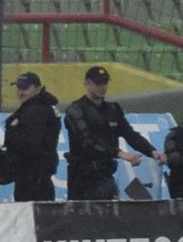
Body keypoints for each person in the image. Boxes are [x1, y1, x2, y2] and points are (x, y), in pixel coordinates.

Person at [64, 66, 162, 200]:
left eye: (105, 83)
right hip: (81, 177)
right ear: (87, 83)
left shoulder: (112, 109)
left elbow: (129, 134)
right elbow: (87, 140)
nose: (102, 87)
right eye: (98, 83)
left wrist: (151, 151)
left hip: (105, 174)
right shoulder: (76, 109)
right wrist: (119, 153)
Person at [2, 72, 61, 202]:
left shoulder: (37, 110)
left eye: (25, 88)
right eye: (19, 88)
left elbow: (30, 145)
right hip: (32, 176)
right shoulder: (34, 108)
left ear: (38, 89)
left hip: (34, 178)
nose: (20, 92)